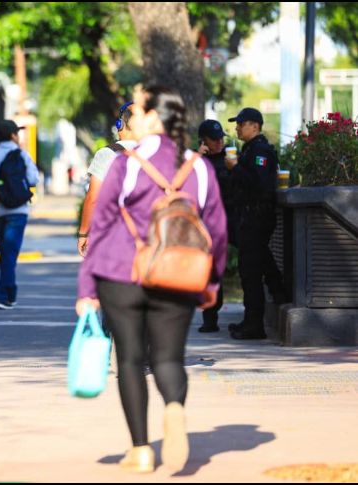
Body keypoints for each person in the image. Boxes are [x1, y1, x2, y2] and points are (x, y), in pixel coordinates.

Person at [76, 86, 228, 473]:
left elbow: (103, 223)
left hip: (121, 273)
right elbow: (218, 231)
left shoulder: (125, 163)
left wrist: (87, 289)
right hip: (176, 273)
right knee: (168, 357)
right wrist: (211, 283)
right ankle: (174, 407)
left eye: (141, 112)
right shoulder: (199, 166)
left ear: (156, 119)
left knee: (129, 358)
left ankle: (141, 449)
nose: (134, 118)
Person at [226, 107, 285, 340]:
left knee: (250, 271)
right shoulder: (250, 149)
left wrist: (236, 168)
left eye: (241, 124)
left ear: (255, 126)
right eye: (237, 124)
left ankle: (254, 325)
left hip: (257, 217)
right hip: (249, 218)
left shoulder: (260, 150)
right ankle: (275, 292)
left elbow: (259, 184)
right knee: (254, 264)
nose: (237, 128)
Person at [0, 120, 39, 310]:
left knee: (6, 253)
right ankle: (3, 295)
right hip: (18, 211)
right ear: (14, 135)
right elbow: (33, 179)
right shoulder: (22, 155)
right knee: (9, 254)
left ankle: (10, 293)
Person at [78, 101, 138, 257]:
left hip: (116, 234)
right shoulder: (155, 152)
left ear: (120, 124)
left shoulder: (108, 154)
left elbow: (93, 198)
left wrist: (84, 233)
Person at [195, 119, 235, 333]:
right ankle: (210, 317)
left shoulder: (230, 157)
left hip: (230, 220)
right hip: (204, 224)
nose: (219, 142)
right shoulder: (195, 159)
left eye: (221, 138)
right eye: (214, 139)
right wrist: (198, 157)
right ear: (203, 140)